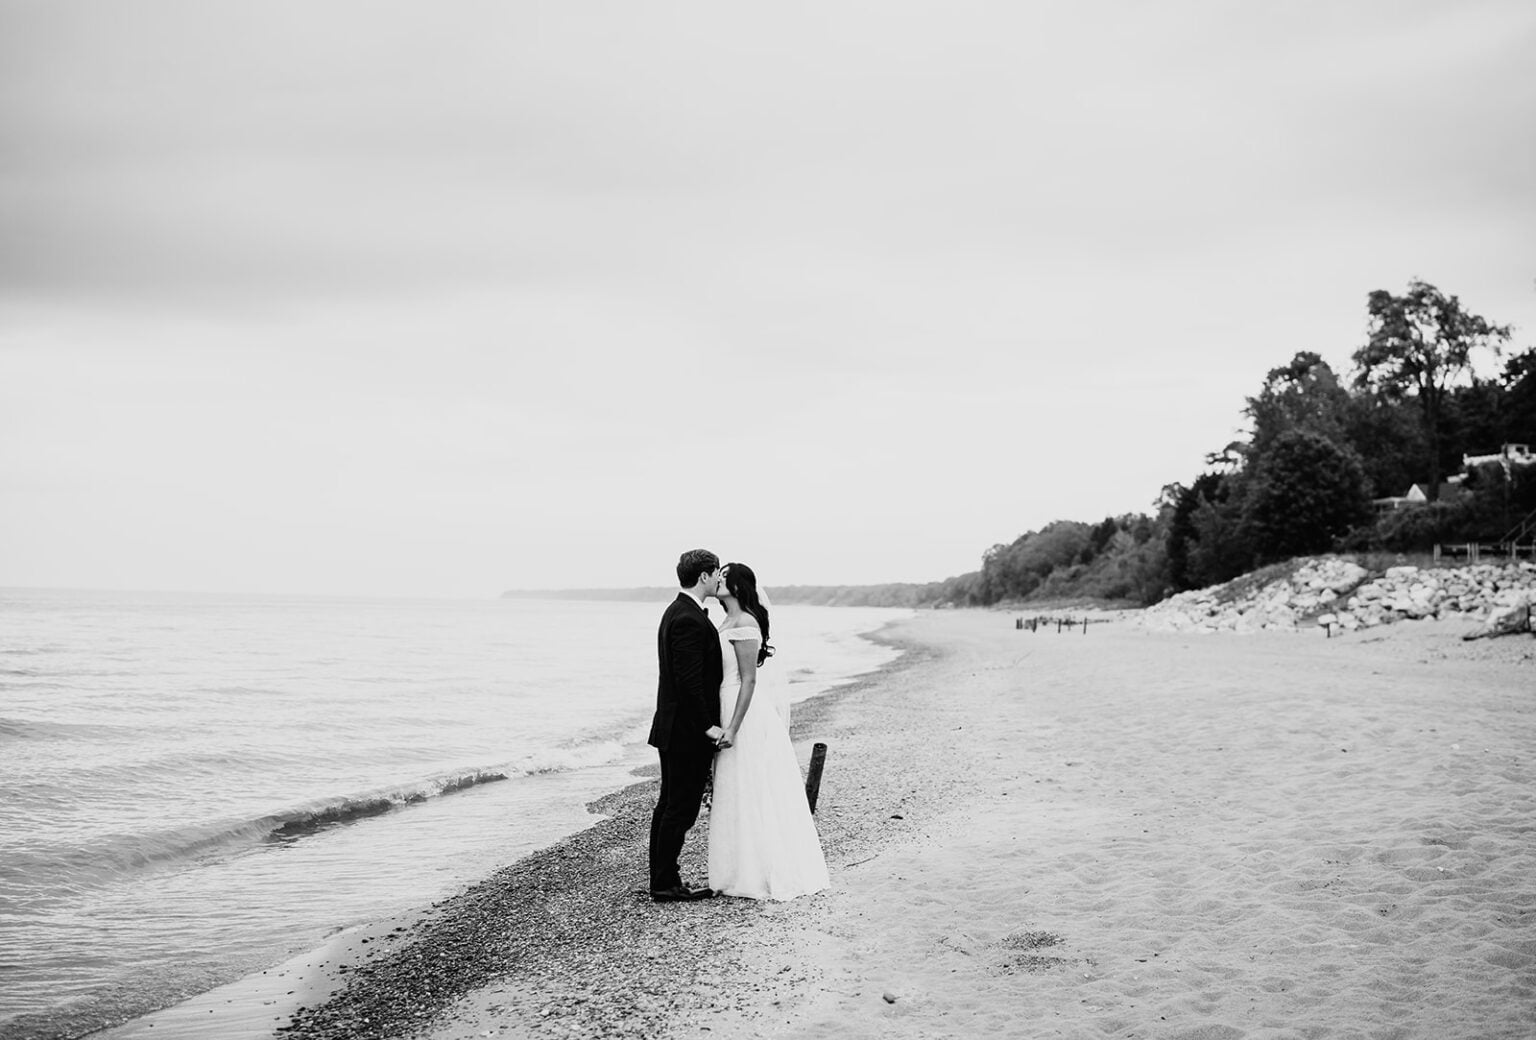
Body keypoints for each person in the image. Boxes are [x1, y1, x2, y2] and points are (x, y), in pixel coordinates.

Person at [707, 562, 830, 900]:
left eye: (726, 574)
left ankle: (762, 870)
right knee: (735, 787)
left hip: (743, 712)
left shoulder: (745, 622)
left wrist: (732, 726)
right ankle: (738, 868)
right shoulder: (725, 621)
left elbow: (749, 679)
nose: (720, 578)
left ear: (740, 585)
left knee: (754, 786)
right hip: (724, 702)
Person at [646, 549, 724, 902]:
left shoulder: (677, 611)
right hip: (685, 732)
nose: (720, 578)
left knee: (669, 805)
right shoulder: (688, 618)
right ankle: (664, 883)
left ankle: (663, 877)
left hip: (674, 727)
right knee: (680, 807)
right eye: (717, 573)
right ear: (705, 576)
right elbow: (688, 681)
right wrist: (708, 727)